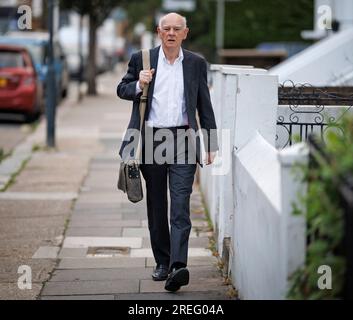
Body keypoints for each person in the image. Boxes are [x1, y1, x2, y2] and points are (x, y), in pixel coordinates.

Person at [117, 12, 218, 292]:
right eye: (166, 29)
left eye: (177, 29)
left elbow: (204, 104)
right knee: (158, 204)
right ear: (158, 32)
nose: (171, 33)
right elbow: (121, 89)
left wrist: (210, 143)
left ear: (185, 33)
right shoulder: (143, 59)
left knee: (181, 202)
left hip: (184, 137)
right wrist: (139, 84)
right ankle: (162, 262)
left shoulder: (196, 63)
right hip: (152, 137)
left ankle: (177, 266)